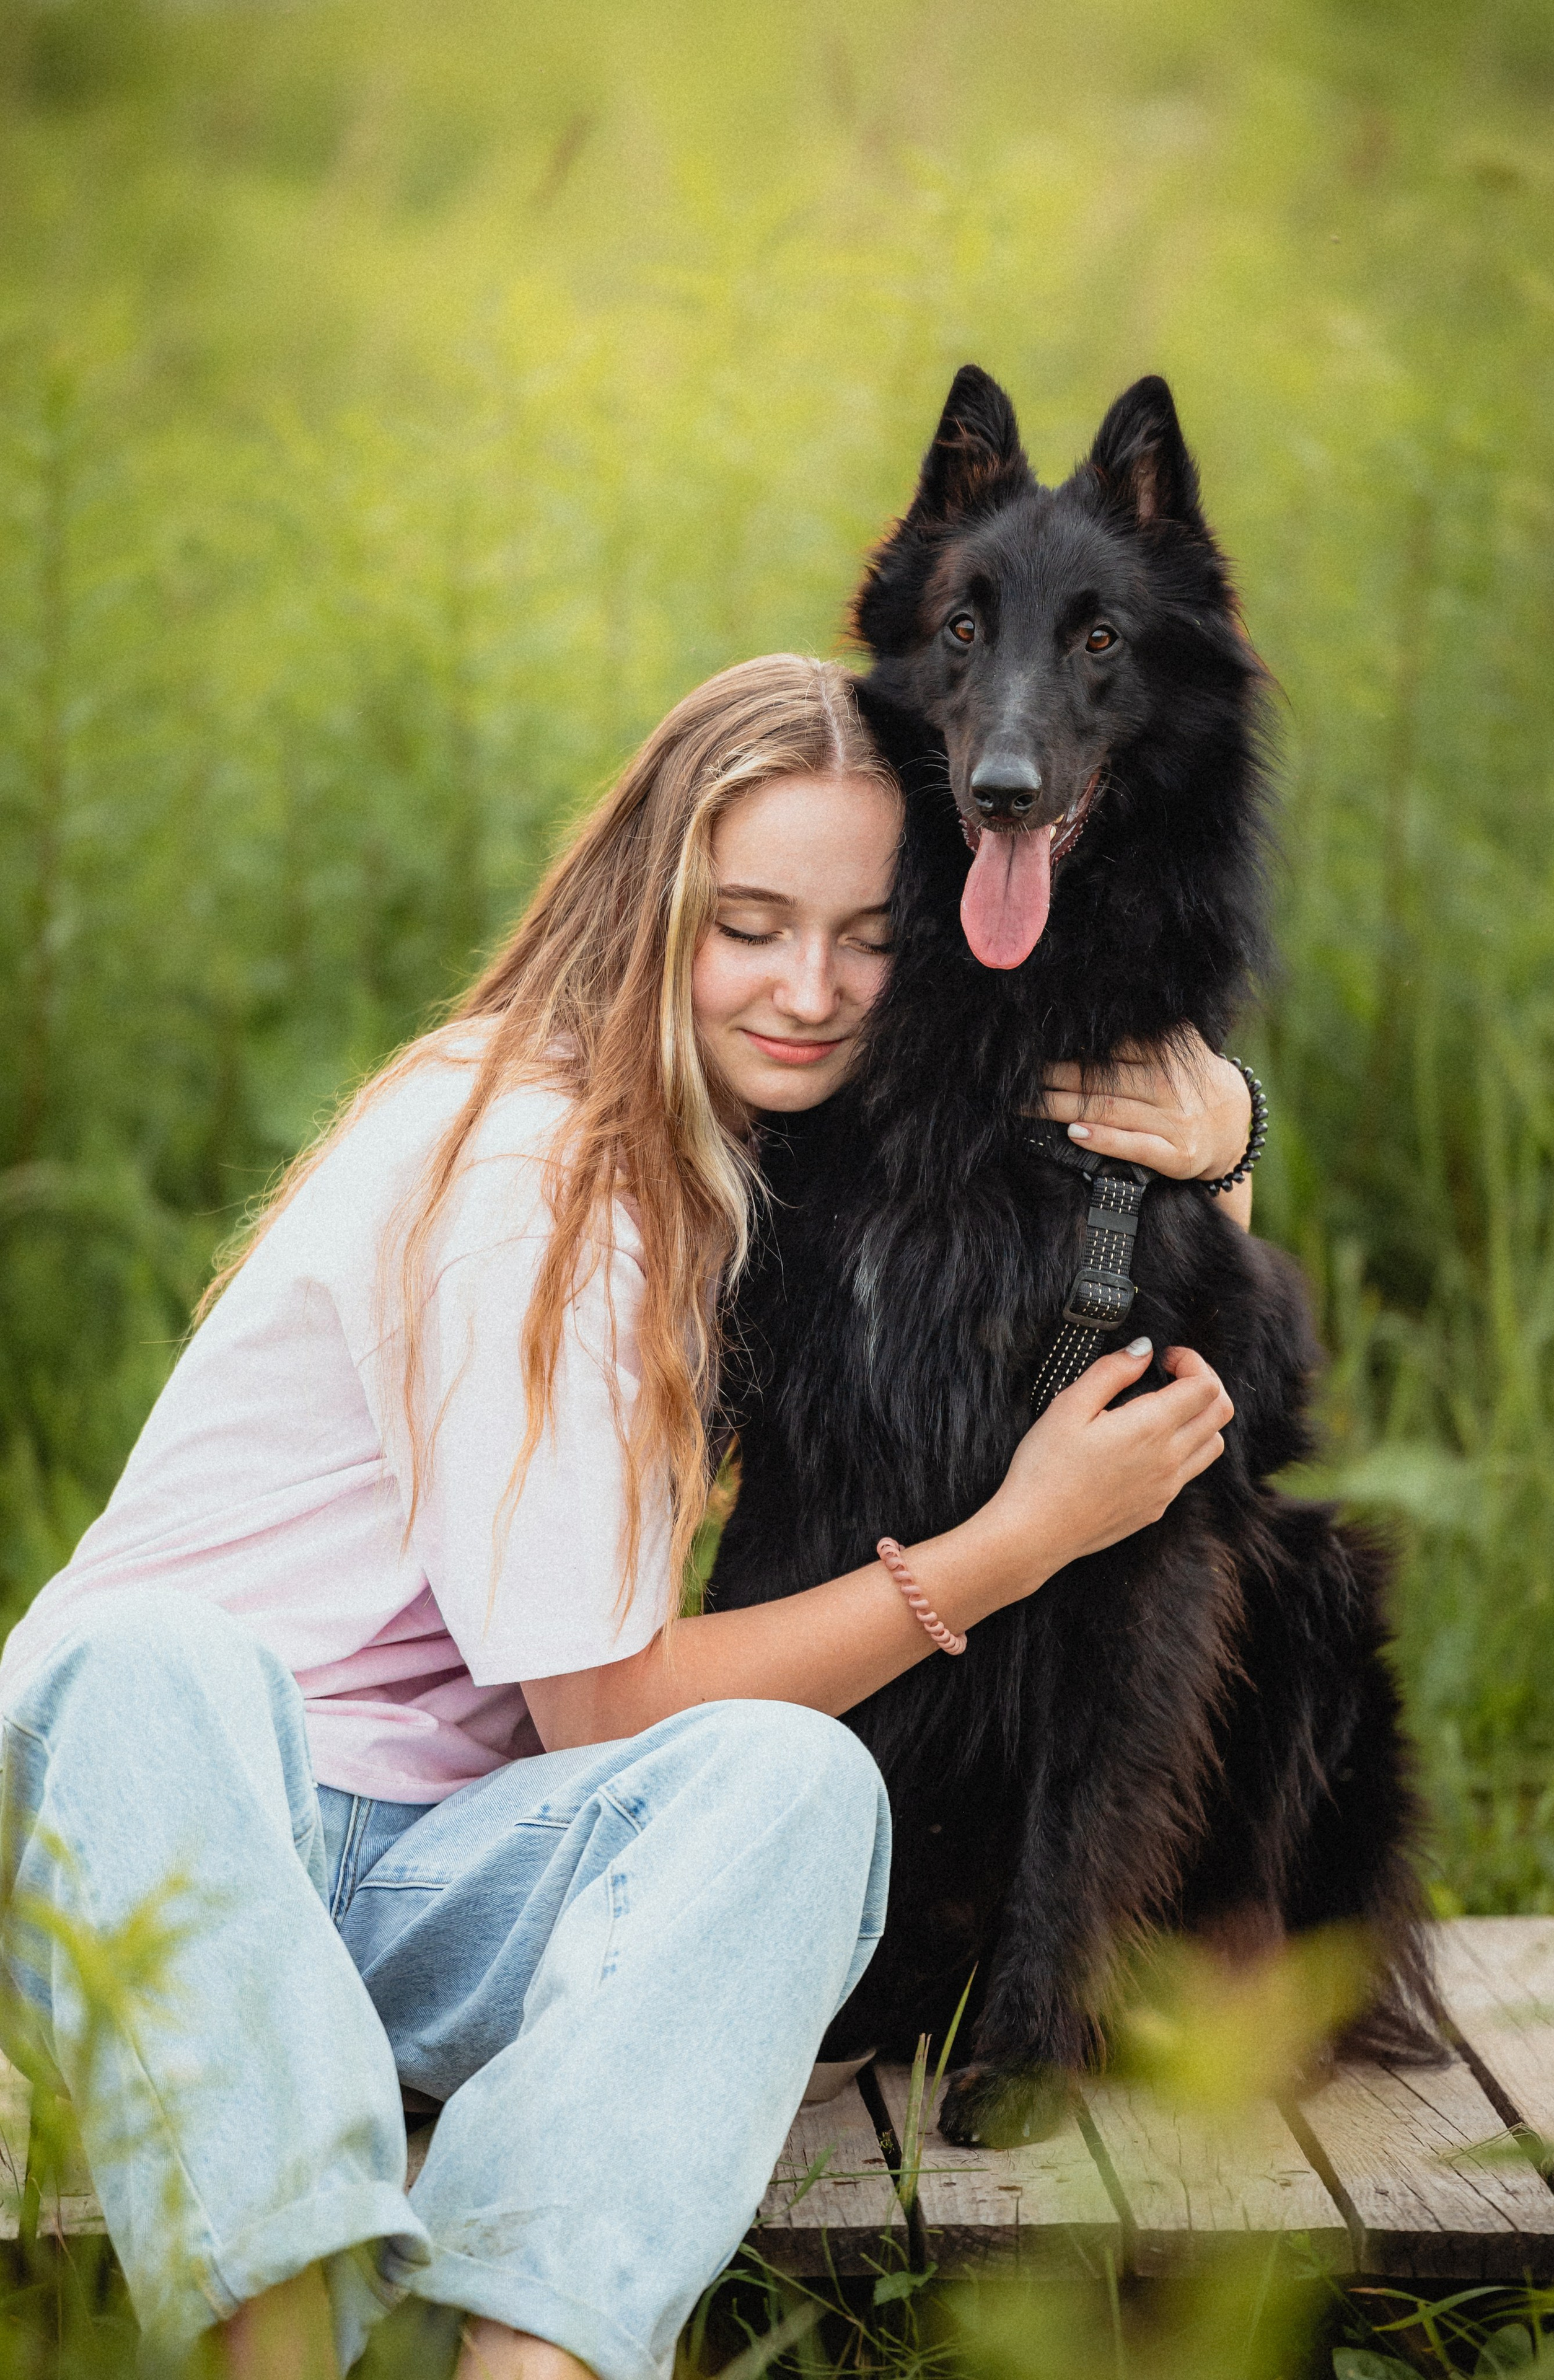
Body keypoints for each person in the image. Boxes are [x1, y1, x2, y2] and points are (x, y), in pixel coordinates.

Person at [0, 655, 1245, 2380]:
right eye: (749, 924)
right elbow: (598, 1704)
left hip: (442, 1870)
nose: (811, 987)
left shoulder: (736, 1135)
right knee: (148, 1659)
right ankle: (269, 2349)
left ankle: (542, 2350)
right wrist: (1014, 1547)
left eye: (871, 933)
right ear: (655, 909)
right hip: (186, 1839)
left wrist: (1222, 1135)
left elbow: (1062, 1193)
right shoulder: (526, 1161)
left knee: (802, 1784)